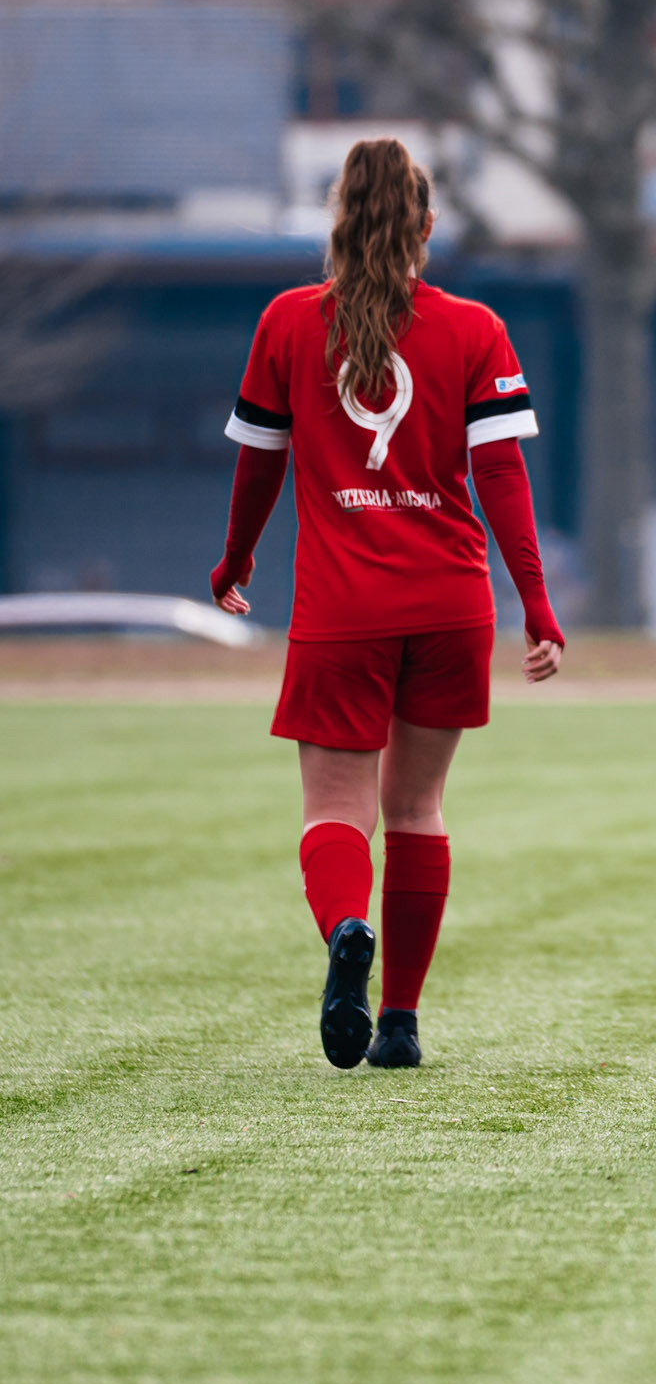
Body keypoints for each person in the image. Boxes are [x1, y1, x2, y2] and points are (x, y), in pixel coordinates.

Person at [210, 138, 564, 1071]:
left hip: (342, 613)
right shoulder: (474, 328)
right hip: (452, 605)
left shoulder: (287, 322)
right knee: (418, 808)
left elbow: (260, 464)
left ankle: (346, 927)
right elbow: (501, 476)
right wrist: (535, 602)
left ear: (338, 221)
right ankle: (400, 1022)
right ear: (427, 228)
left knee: (336, 808)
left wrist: (235, 558)